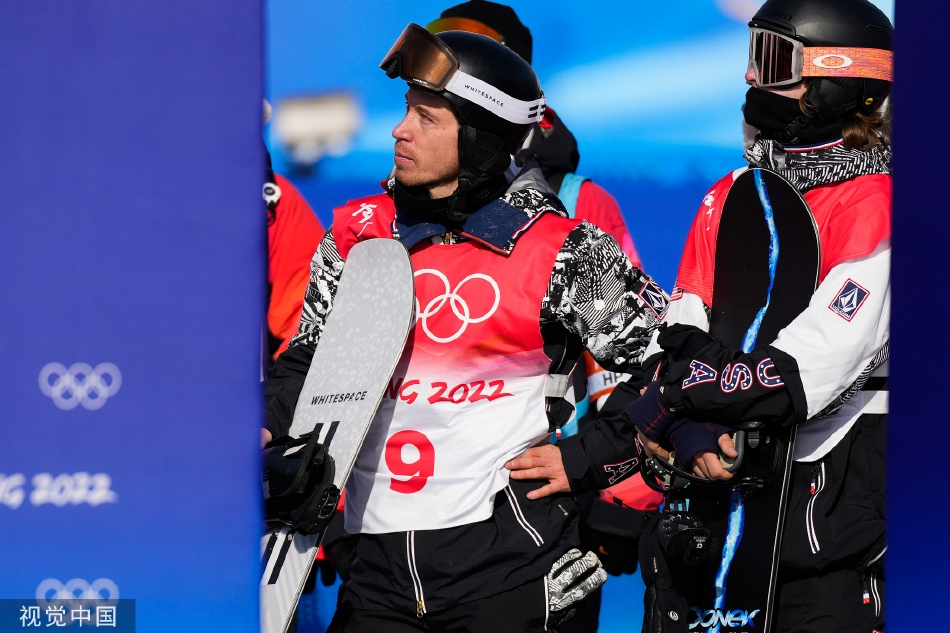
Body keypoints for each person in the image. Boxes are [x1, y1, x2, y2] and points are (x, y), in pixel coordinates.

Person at [264, 24, 669, 632]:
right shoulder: (360, 235)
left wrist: (589, 460)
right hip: (375, 571)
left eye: (428, 119)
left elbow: (674, 363)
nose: (400, 130)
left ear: (480, 140)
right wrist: (267, 424)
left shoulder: (559, 249)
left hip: (506, 569)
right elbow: (309, 360)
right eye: (406, 111)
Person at [509, 0, 891, 630]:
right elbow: (678, 333)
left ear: (835, 78)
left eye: (771, 61)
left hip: (819, 541)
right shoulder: (730, 196)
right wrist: (656, 441)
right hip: (706, 525)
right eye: (749, 56)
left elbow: (802, 375)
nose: (750, 79)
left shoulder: (876, 206)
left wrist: (684, 391)